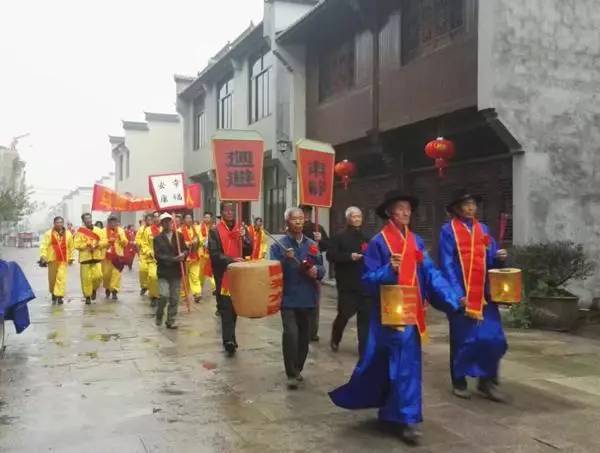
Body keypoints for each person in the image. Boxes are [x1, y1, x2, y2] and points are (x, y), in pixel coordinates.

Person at [329, 190, 461, 445]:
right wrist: (389, 270)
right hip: (385, 315)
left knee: (406, 366)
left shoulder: (416, 242)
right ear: (389, 212)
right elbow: (367, 281)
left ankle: (406, 417)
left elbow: (431, 274)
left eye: (408, 209)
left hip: (410, 316)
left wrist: (453, 300)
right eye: (400, 209)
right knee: (387, 364)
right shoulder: (379, 242)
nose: (405, 213)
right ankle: (396, 413)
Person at [438, 191, 509, 402]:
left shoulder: (483, 230)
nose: (470, 208)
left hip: (484, 295)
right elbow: (447, 264)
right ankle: (459, 382)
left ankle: (488, 382)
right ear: (457, 208)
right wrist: (457, 294)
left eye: (472, 204)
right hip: (462, 295)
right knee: (462, 340)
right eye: (465, 204)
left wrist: (499, 257)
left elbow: (491, 260)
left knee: (492, 337)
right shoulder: (448, 230)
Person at [271, 207, 325, 390]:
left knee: (304, 337)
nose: (299, 222)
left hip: (308, 297)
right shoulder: (278, 245)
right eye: (295, 219)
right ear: (287, 222)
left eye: (301, 219)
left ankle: (298, 368)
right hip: (287, 297)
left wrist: (316, 271)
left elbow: (321, 268)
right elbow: (272, 269)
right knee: (290, 335)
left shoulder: (311, 244)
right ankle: (291, 373)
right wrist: (285, 259)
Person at [208, 201, 252, 356]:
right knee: (226, 307)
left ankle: (231, 337)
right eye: (226, 210)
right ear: (221, 213)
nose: (230, 213)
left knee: (235, 308)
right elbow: (214, 254)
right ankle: (228, 340)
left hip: (239, 274)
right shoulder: (214, 231)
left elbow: (249, 249)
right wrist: (231, 260)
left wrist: (245, 238)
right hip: (223, 274)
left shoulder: (241, 229)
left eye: (232, 210)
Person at [327, 206, 371, 356]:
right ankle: (335, 337)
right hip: (347, 283)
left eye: (359, 216)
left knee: (365, 317)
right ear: (348, 219)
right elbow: (331, 256)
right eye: (354, 216)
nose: (357, 219)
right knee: (344, 314)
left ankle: (364, 348)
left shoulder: (366, 237)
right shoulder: (339, 237)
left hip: (364, 282)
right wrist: (348, 257)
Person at [300, 204, 330, 342]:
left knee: (315, 300)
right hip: (299, 266)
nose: (306, 215)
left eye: (308, 212)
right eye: (303, 212)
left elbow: (326, 246)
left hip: (314, 267)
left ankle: (313, 331)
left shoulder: (317, 228)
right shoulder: (295, 228)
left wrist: (320, 240)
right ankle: (302, 328)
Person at [153, 213, 188, 329]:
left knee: (174, 298)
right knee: (163, 295)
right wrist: (173, 259)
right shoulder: (157, 239)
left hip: (176, 271)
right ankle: (159, 313)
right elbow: (158, 255)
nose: (167, 223)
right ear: (161, 224)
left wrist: (184, 254)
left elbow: (185, 249)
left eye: (169, 221)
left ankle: (171, 320)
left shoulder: (179, 236)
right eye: (165, 222)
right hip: (164, 272)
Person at [39, 216, 74, 305]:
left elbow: (71, 247)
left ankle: (59, 296)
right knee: (52, 279)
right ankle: (53, 293)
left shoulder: (68, 234)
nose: (59, 224)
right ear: (54, 223)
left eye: (61, 222)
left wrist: (71, 258)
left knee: (61, 278)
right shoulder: (48, 233)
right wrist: (43, 256)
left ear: (63, 223)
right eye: (57, 222)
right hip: (52, 259)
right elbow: (44, 246)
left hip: (63, 260)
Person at [74, 213, 107, 304]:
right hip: (85, 258)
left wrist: (98, 244)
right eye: (86, 218)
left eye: (89, 218)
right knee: (86, 279)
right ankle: (87, 296)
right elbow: (76, 245)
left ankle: (94, 289)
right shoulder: (80, 232)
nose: (88, 220)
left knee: (98, 276)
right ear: (83, 220)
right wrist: (86, 245)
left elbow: (104, 242)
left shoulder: (98, 230)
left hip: (96, 257)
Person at [102, 215, 128, 300]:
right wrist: (108, 241)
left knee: (116, 274)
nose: (113, 223)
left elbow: (125, 243)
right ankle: (107, 288)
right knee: (106, 275)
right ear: (108, 222)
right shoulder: (103, 231)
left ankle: (114, 291)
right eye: (111, 221)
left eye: (114, 221)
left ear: (117, 222)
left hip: (117, 256)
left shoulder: (120, 231)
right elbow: (100, 243)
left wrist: (121, 239)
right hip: (107, 257)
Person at [179, 213, 204, 303]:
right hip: (185, 258)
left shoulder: (196, 229)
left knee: (195, 276)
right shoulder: (180, 230)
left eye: (190, 218)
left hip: (195, 256)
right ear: (184, 220)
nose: (189, 220)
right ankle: (183, 294)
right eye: (187, 218)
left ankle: (197, 293)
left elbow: (201, 241)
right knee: (184, 277)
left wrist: (197, 241)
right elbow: (179, 244)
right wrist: (189, 243)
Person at [140, 212, 162, 307]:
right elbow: (144, 244)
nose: (157, 219)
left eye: (158, 217)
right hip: (152, 259)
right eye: (155, 217)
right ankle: (154, 296)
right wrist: (149, 252)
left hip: (165, 259)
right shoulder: (148, 230)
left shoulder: (164, 229)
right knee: (153, 277)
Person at [136, 214, 152, 296]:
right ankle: (144, 286)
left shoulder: (155, 229)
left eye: (151, 219)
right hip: (144, 253)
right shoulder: (141, 229)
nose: (149, 221)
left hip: (154, 254)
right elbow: (137, 240)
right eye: (148, 219)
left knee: (152, 273)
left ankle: (152, 288)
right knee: (143, 270)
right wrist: (140, 245)